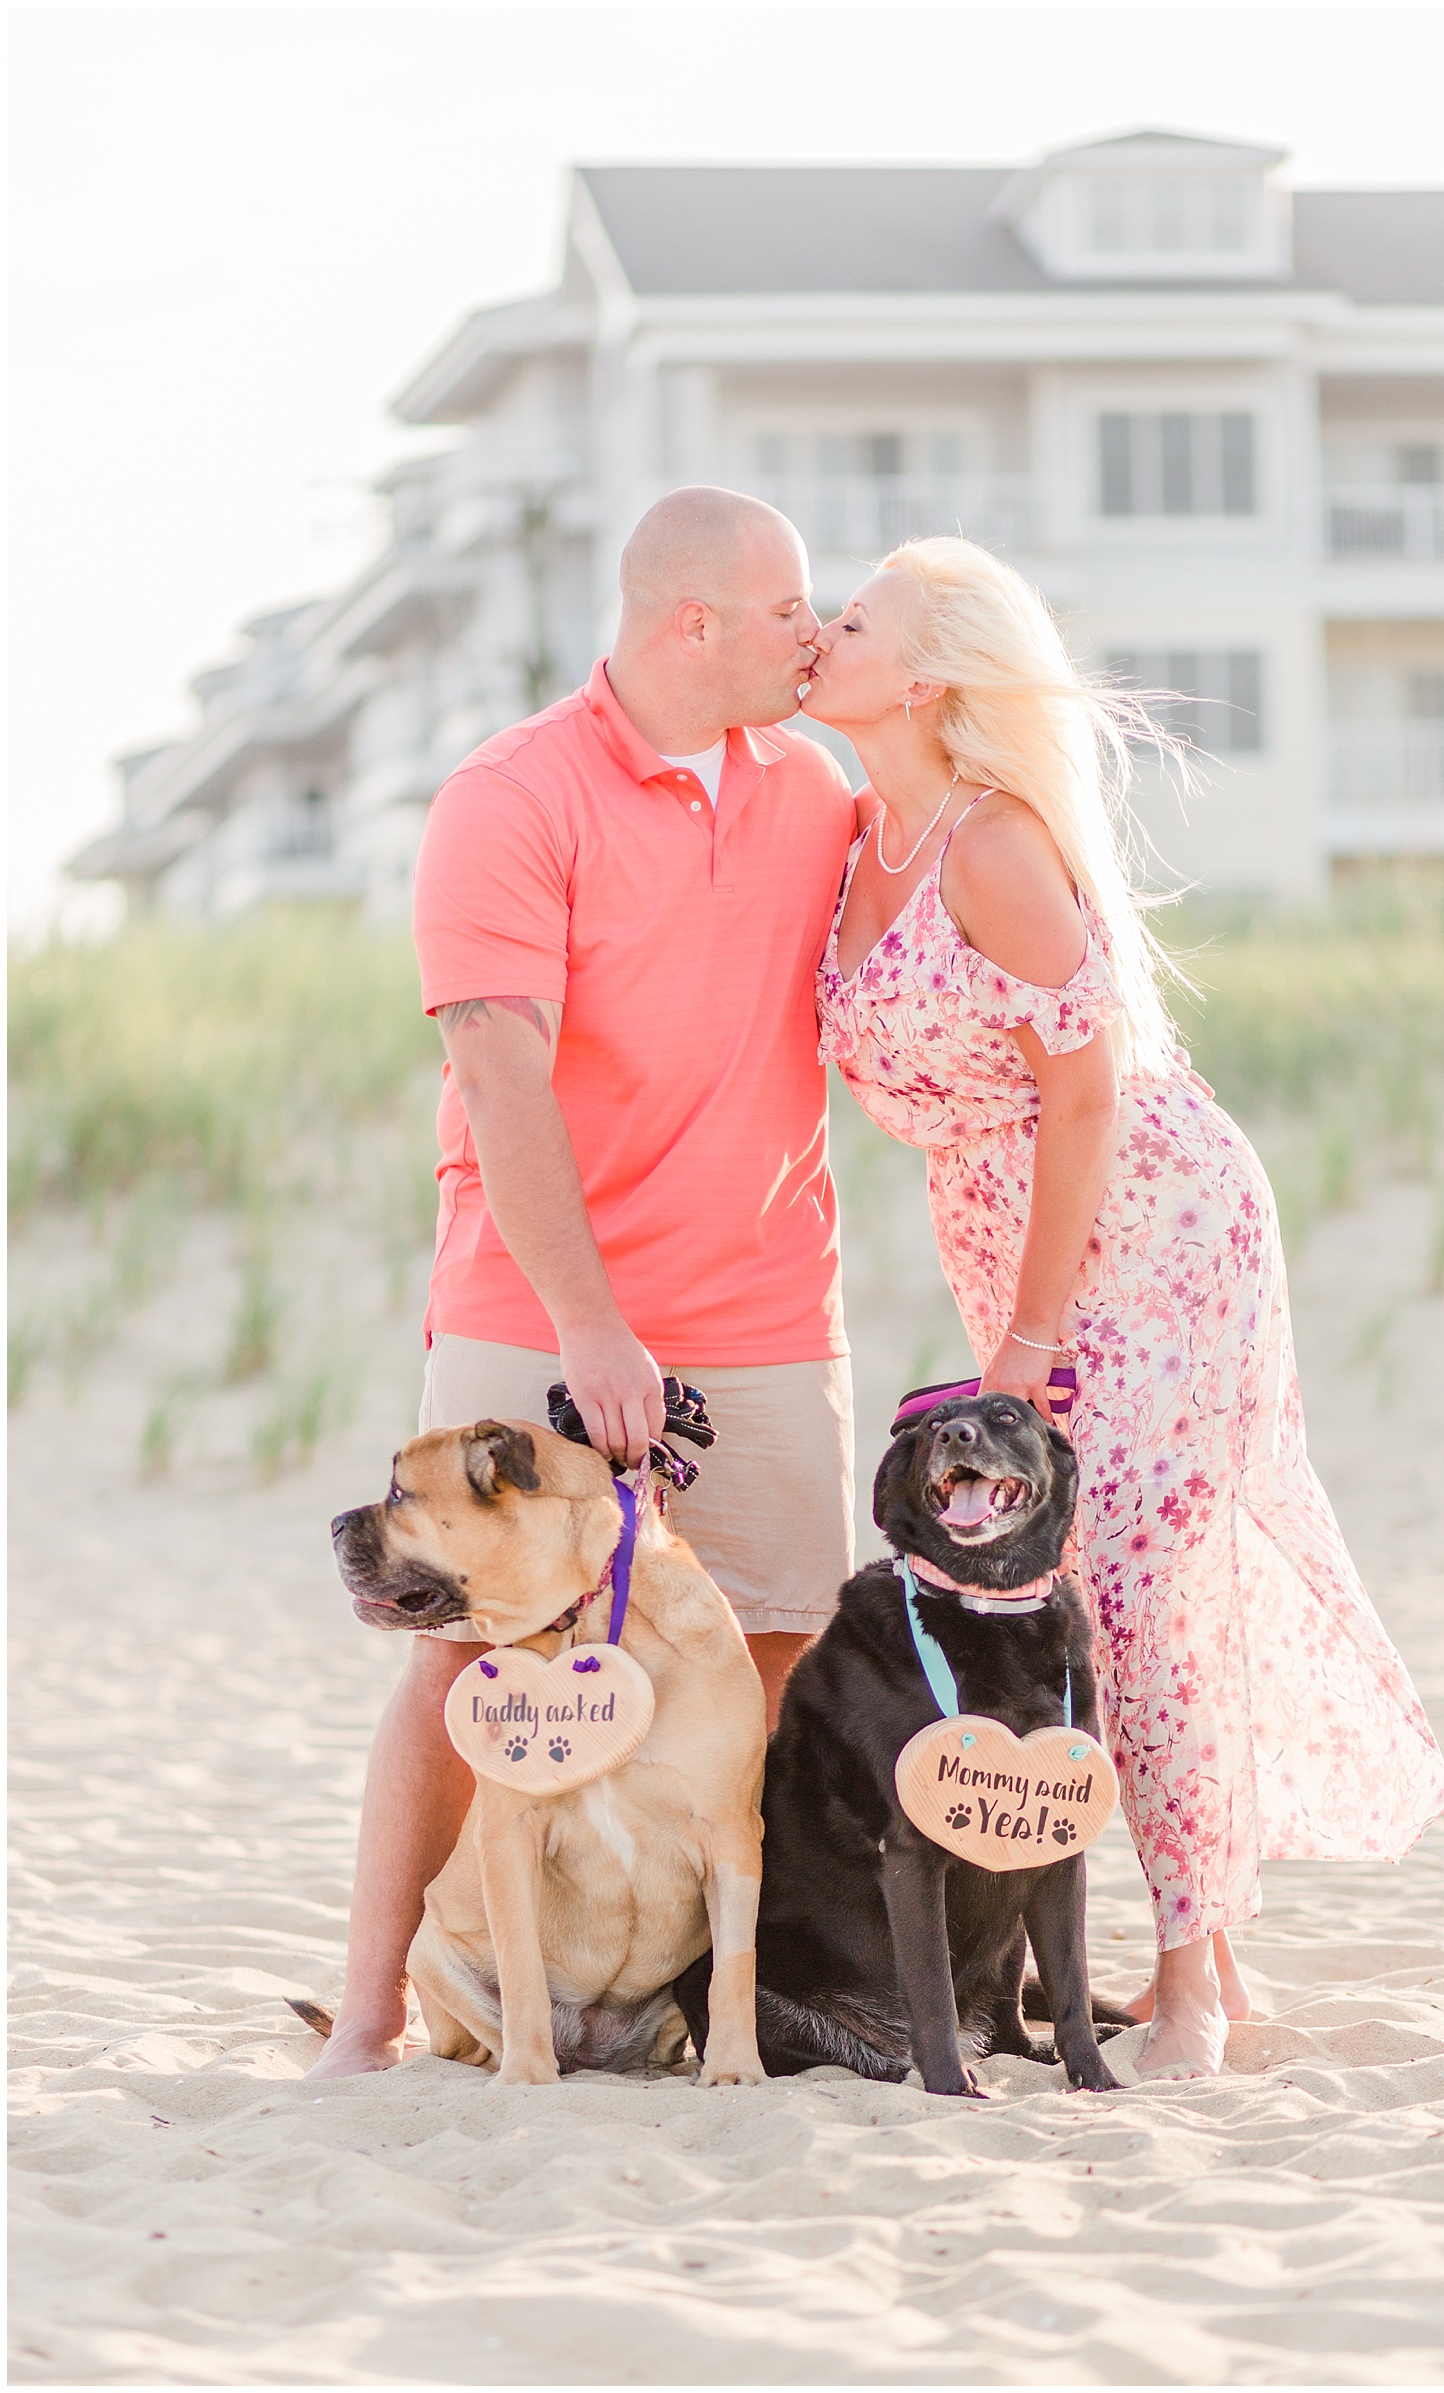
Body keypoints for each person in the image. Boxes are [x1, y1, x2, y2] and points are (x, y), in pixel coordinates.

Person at [801, 535, 1444, 2080]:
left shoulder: (989, 841)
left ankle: (1191, 1985)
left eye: (853, 619)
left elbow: (1086, 1094)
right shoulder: (851, 837)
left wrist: (1028, 1345)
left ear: (933, 670)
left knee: (1139, 1586)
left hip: (1143, 1216)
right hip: (1004, 1218)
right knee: (1094, 1573)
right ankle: (1208, 1938)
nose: (823, 635)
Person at [310, 487, 858, 2079]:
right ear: (691, 623)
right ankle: (369, 2013)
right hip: (533, 1300)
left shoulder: (812, 787)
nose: (808, 637)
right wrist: (590, 1322)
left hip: (764, 1300)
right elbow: (494, 1061)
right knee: (463, 1648)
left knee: (767, 1648)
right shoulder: (510, 793)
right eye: (785, 613)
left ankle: (728, 2006)